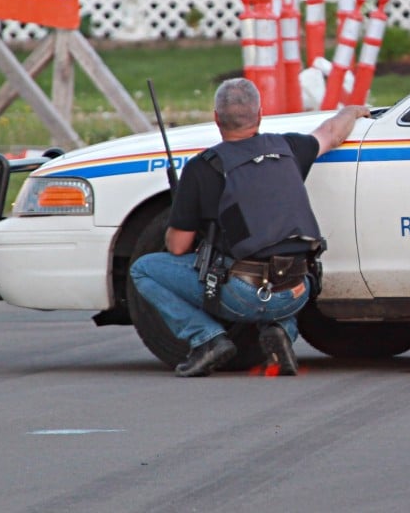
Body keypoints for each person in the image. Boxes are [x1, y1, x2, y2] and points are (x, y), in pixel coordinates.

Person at [130, 78, 370, 378]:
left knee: (144, 269)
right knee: (284, 266)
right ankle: (282, 329)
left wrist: (180, 214)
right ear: (260, 114)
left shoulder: (203, 168)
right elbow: (333, 132)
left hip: (242, 295)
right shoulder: (289, 147)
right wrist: (353, 111)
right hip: (298, 289)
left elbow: (178, 247)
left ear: (217, 118)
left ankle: (207, 339)